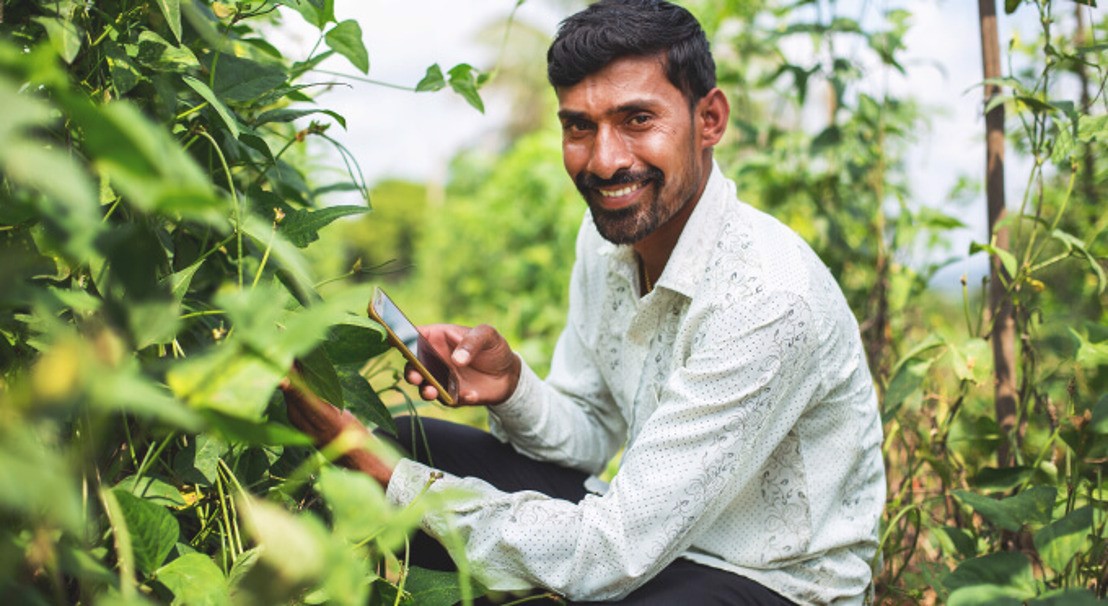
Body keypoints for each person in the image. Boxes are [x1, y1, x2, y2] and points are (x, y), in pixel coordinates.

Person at [281, 1, 886, 603]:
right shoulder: (608, 241)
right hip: (655, 540)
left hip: (767, 581)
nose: (605, 160)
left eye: (638, 119)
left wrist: (386, 478)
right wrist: (513, 388)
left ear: (710, 119)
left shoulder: (768, 297)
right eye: (580, 126)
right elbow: (592, 435)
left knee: (389, 472)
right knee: (407, 443)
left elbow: (610, 551)